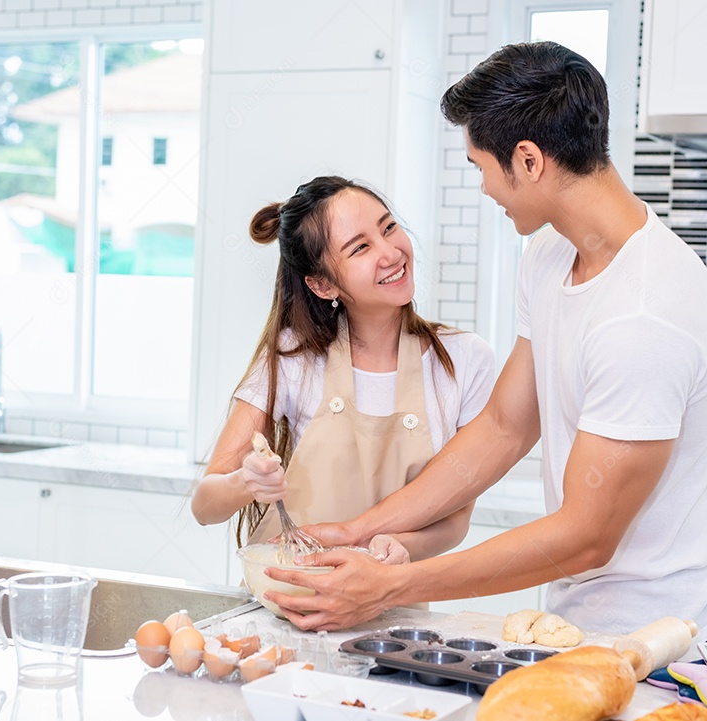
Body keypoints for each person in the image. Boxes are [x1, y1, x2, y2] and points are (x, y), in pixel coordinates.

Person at [265, 42, 707, 641]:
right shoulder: (550, 256)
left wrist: (392, 585)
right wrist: (359, 530)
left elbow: (587, 535)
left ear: (527, 160)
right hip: (580, 625)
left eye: (480, 167)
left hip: (673, 640)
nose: (486, 190)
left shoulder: (645, 314)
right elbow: (505, 426)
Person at [190, 176, 495, 565]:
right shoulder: (294, 357)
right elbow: (205, 506)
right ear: (322, 285)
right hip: (287, 602)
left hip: (395, 610)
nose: (390, 253)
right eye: (361, 247)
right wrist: (245, 481)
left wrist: (400, 548)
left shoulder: (465, 360)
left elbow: (455, 519)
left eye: (388, 227)